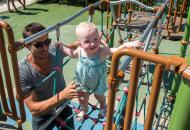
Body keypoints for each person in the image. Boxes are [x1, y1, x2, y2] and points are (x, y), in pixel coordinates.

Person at [58, 22, 141, 121]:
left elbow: (117, 50)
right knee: (82, 97)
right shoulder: (80, 50)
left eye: (95, 39)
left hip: (98, 81)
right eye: (87, 41)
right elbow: (71, 54)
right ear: (80, 44)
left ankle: (102, 107)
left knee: (99, 96)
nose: (92, 44)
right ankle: (84, 109)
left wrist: (128, 44)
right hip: (82, 81)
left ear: (99, 39)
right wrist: (62, 47)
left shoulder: (102, 51)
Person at [19, 22, 81, 130]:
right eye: (38, 44)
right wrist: (62, 95)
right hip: (42, 114)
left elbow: (74, 46)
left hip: (63, 107)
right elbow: (33, 108)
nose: (45, 48)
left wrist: (90, 41)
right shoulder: (23, 70)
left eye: (47, 42)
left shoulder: (54, 49)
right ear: (27, 46)